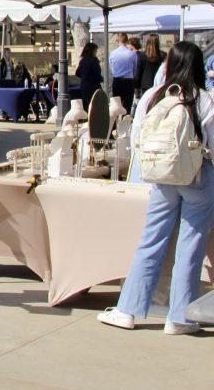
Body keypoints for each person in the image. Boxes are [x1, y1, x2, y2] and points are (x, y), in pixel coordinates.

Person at [98, 41, 214, 335]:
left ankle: (128, 309)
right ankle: (180, 316)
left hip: (162, 178)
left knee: (151, 241)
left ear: (169, 65)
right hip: (199, 177)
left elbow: (138, 139)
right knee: (191, 247)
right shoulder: (206, 100)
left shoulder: (153, 96)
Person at [110, 32, 137, 111]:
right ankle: (126, 121)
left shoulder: (113, 53)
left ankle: (114, 122)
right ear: (127, 41)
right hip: (128, 81)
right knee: (127, 105)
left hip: (117, 80)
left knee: (115, 105)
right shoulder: (132, 54)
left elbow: (111, 67)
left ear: (117, 41)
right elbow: (134, 69)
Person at [76, 43, 103, 108]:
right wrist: (100, 79)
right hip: (93, 86)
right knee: (95, 105)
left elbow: (77, 73)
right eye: (95, 51)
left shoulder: (83, 60)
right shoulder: (94, 60)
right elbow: (97, 73)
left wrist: (84, 76)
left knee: (86, 105)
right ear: (92, 51)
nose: (96, 53)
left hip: (84, 86)